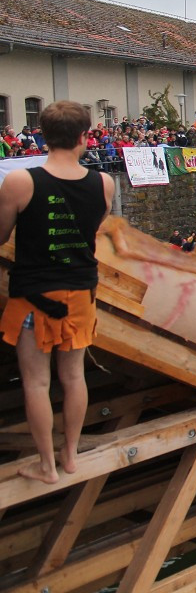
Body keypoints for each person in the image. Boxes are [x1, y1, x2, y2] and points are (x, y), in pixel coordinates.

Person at [0, 100, 114, 484]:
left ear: (43, 136)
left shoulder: (21, 181)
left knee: (36, 381)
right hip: (81, 291)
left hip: (33, 294)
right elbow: (91, 228)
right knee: (73, 377)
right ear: (85, 137)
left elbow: (0, 236)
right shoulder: (104, 183)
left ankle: (46, 465)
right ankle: (70, 457)